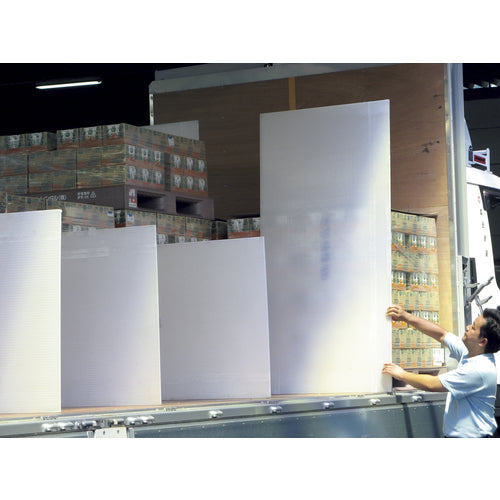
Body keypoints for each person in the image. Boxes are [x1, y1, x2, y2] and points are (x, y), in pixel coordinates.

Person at [383, 304, 500, 438]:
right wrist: (406, 317)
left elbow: (432, 384)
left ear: (482, 341)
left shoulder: (479, 369)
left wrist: (401, 374)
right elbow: (442, 334)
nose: (467, 327)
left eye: (473, 327)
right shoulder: (471, 352)